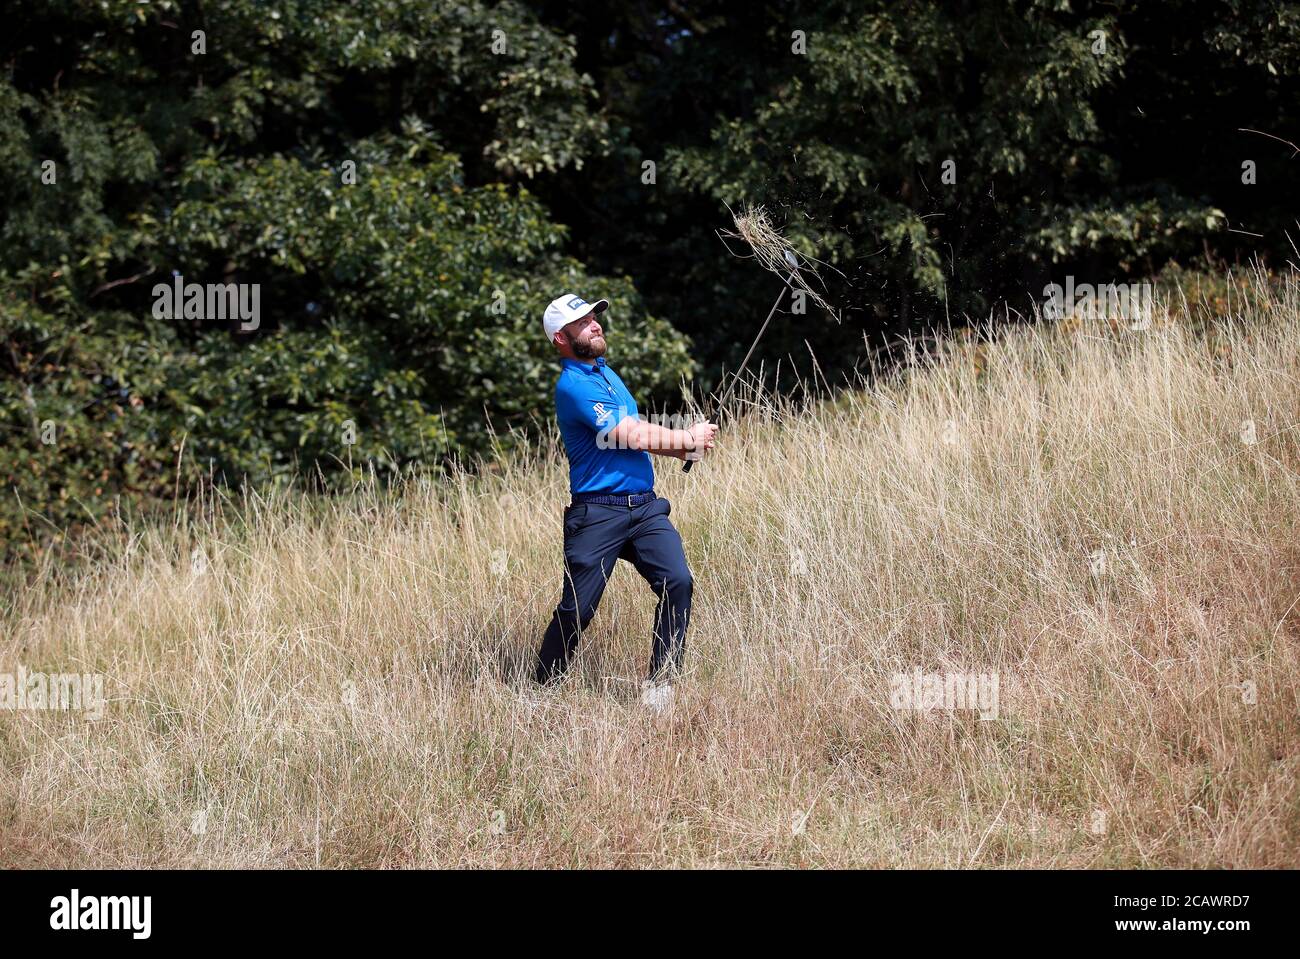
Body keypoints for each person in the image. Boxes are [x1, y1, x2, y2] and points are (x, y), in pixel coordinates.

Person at [533, 293, 718, 712]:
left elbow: (636, 432)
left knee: (678, 582)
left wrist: (685, 450)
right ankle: (540, 693)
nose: (596, 324)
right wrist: (686, 439)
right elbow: (628, 436)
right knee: (578, 610)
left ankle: (659, 688)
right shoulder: (573, 386)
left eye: (595, 317)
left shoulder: (607, 375)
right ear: (561, 338)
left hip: (644, 509)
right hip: (596, 513)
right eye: (583, 321)